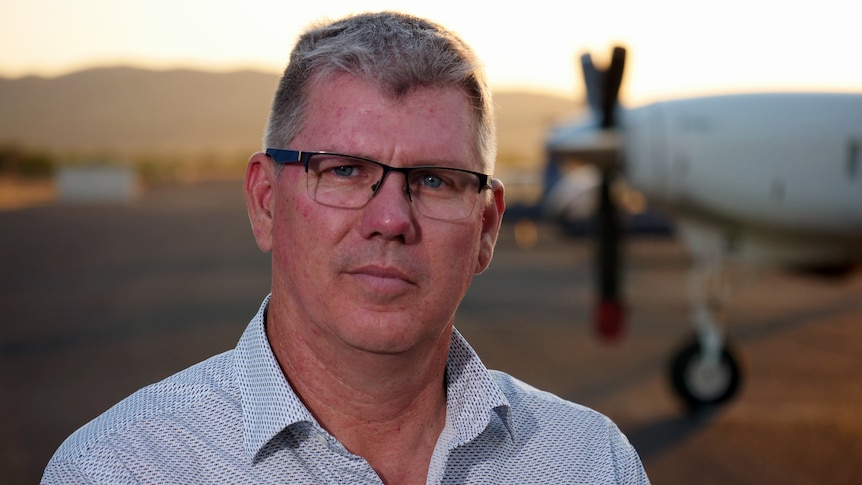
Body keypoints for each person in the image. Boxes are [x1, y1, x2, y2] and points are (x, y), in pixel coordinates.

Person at [43, 11, 649, 484]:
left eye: (435, 180)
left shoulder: (593, 466)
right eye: (342, 171)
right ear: (264, 202)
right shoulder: (116, 470)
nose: (390, 219)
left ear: (486, 228)